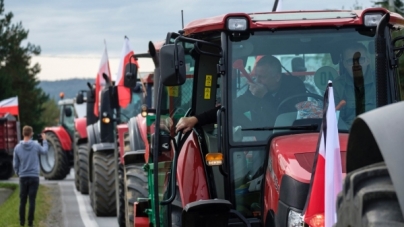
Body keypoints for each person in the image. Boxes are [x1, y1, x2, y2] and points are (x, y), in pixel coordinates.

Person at [176, 55, 307, 133]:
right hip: (262, 141)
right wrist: (196, 119)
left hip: (291, 138)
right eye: (256, 77)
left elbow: (289, 118)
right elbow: (231, 108)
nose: (258, 81)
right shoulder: (256, 92)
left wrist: (265, 97)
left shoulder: (295, 87)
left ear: (277, 77)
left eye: (262, 77)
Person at [333, 42, 376, 126]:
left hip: (376, 133)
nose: (356, 65)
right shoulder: (337, 86)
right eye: (350, 61)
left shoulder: (380, 80)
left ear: (368, 60)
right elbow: (335, 120)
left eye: (360, 60)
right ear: (344, 64)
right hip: (347, 135)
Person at [13, 126, 48, 227]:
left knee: (22, 200)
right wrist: (44, 141)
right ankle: (30, 222)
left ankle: (22, 222)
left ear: (23, 134)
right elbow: (45, 151)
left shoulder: (17, 147)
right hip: (34, 177)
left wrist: (18, 173)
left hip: (23, 177)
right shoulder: (36, 145)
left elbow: (15, 164)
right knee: (32, 200)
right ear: (31, 134)